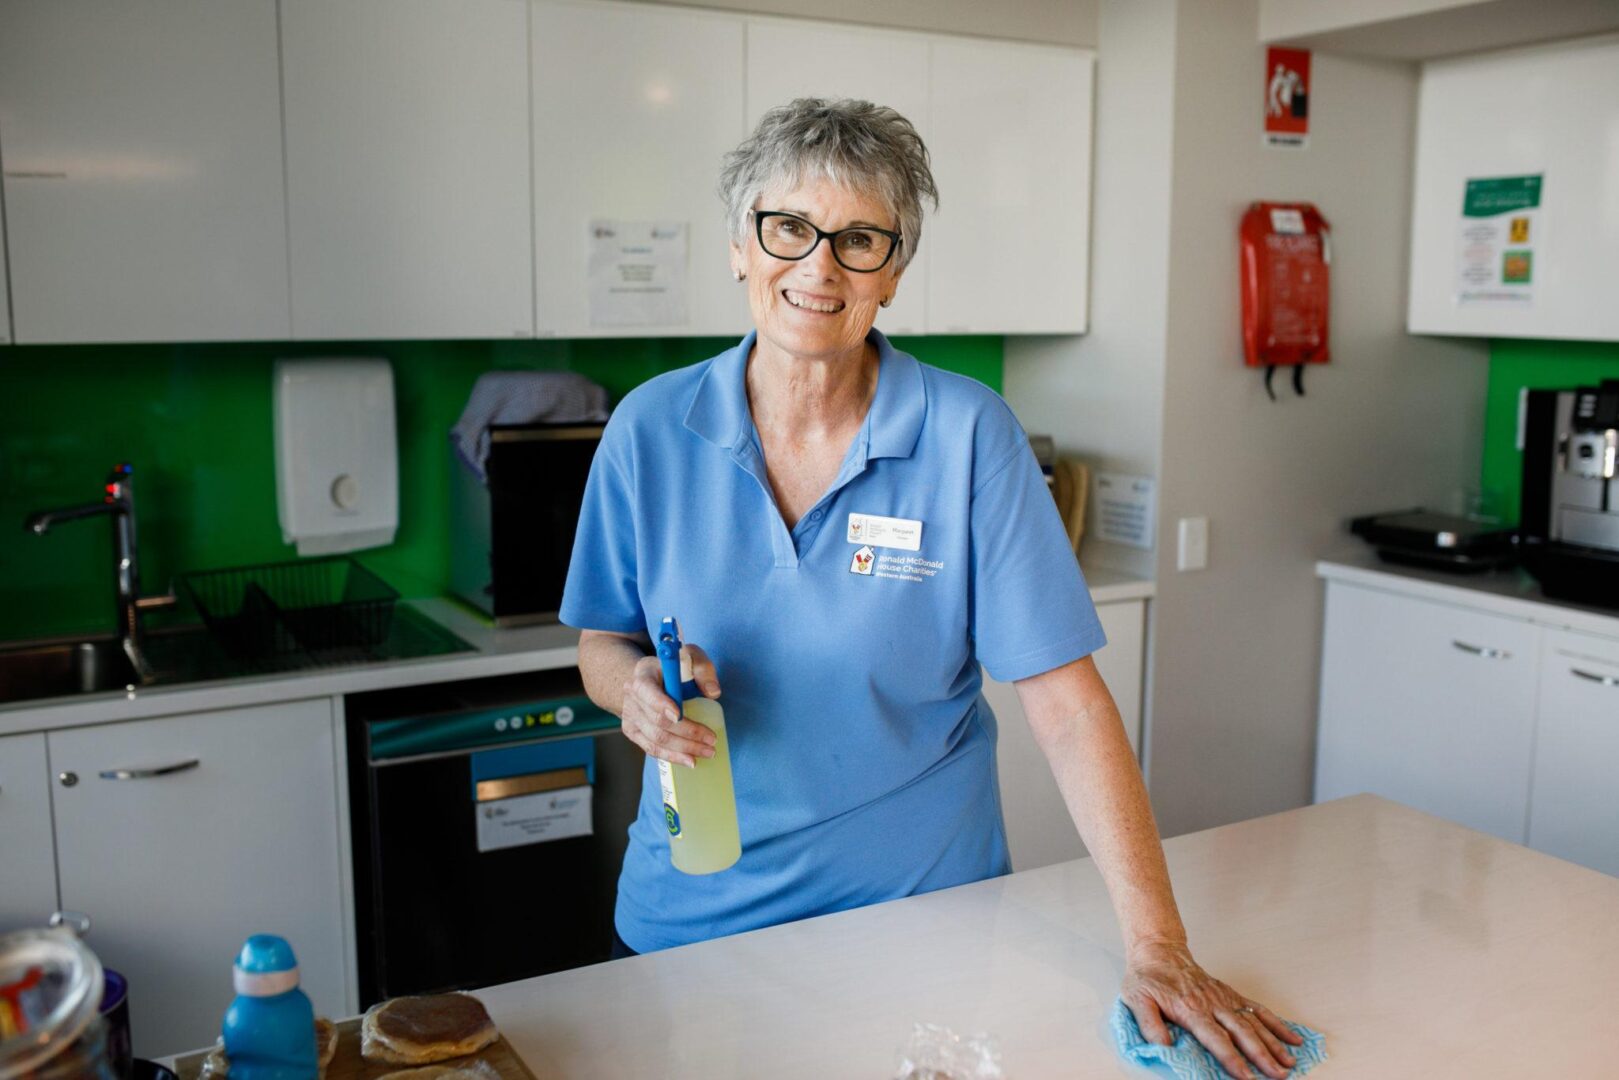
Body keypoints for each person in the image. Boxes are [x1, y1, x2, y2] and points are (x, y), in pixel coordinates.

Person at [561, 98, 1305, 1080]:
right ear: (740, 247)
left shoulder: (964, 436)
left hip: (924, 932)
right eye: (786, 227)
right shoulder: (650, 430)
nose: (818, 266)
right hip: (692, 930)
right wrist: (635, 695)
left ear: (894, 271)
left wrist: (1157, 948)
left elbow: (1066, 707)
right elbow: (598, 646)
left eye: (858, 238)